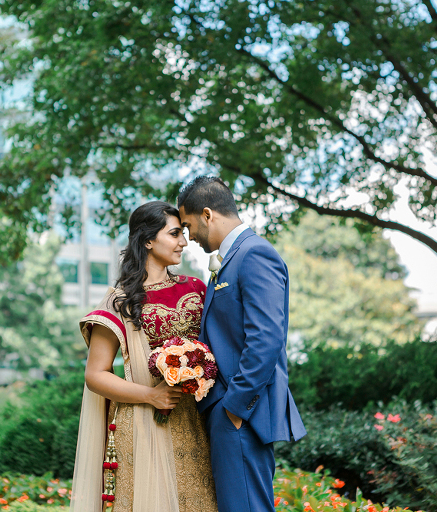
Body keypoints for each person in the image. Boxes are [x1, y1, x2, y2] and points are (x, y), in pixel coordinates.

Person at [69, 201, 218, 512]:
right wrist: (151, 395)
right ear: (148, 240)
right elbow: (95, 375)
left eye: (184, 233)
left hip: (198, 421)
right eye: (175, 233)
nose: (184, 241)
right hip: (144, 422)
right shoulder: (120, 301)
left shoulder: (196, 289)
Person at [177, 176, 307, 512]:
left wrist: (234, 407)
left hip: (242, 412)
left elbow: (266, 339)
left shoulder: (255, 254)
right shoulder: (230, 259)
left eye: (189, 227)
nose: (188, 238)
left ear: (208, 214)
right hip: (229, 412)